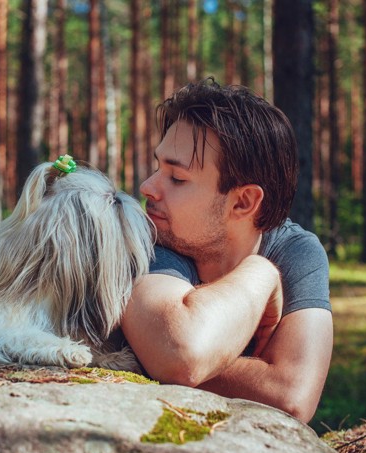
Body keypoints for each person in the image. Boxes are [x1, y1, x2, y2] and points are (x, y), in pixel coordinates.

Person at [121, 78, 333, 424]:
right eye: (159, 166)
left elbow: (292, 395)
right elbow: (182, 354)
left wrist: (150, 352)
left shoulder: (296, 251)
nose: (147, 187)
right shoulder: (154, 238)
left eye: (177, 178)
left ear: (243, 202)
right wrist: (261, 275)